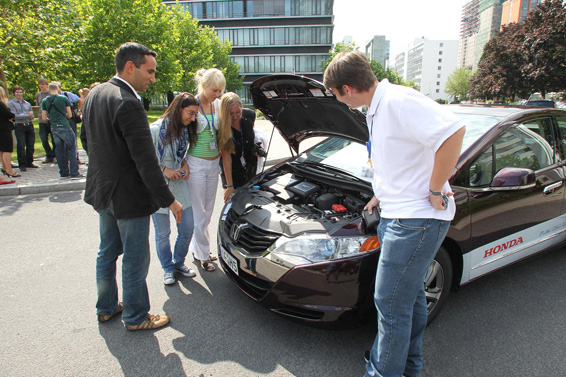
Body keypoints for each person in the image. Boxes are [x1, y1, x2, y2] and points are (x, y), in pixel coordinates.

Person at [323, 50, 465, 377]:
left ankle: (381, 371)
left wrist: (434, 187)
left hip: (415, 221)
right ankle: (409, 368)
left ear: (347, 88)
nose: (336, 98)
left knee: (389, 305)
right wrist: (379, 195)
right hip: (395, 214)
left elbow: (454, 133)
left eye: (334, 93)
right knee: (410, 300)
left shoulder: (399, 101)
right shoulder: (376, 108)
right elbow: (399, 159)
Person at [81, 42, 182, 331]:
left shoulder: (95, 94)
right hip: (128, 198)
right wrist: (169, 200)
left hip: (104, 191)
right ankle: (136, 316)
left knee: (107, 251)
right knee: (135, 258)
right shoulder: (128, 101)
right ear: (130, 67)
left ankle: (107, 307)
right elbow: (146, 161)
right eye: (149, 71)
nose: (153, 78)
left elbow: (86, 142)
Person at [149, 93, 199, 285]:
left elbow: (180, 155)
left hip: (180, 185)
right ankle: (167, 268)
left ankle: (178, 263)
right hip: (158, 188)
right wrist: (164, 170)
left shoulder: (184, 131)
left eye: (195, 115)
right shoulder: (155, 129)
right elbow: (145, 160)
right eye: (190, 113)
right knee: (162, 234)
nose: (192, 118)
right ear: (179, 109)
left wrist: (184, 165)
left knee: (187, 228)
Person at [186, 68, 225, 272]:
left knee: (208, 210)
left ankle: (198, 247)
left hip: (213, 164)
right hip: (196, 163)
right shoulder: (191, 104)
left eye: (219, 91)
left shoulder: (218, 104)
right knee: (198, 212)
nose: (217, 94)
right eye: (214, 90)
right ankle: (202, 254)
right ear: (203, 85)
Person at [218, 92, 258, 202]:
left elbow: (250, 137)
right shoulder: (222, 127)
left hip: (250, 170)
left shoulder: (249, 116)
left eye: (238, 112)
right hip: (232, 173)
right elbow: (226, 158)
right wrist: (230, 186)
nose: (235, 116)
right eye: (231, 113)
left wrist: (255, 150)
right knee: (234, 207)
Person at [41, 82, 81, 179]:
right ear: (58, 89)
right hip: (64, 125)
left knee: (59, 150)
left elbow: (44, 118)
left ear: (49, 90)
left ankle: (63, 173)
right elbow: (70, 115)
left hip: (54, 127)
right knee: (72, 149)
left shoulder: (45, 101)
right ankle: (74, 172)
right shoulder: (63, 98)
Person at [8, 86, 36, 172]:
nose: (19, 94)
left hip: (29, 125)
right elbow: (14, 116)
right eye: (17, 92)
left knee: (30, 144)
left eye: (20, 92)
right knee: (21, 145)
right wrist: (27, 115)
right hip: (19, 126)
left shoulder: (27, 104)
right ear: (14, 93)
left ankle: (29, 162)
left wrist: (30, 116)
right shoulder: (11, 103)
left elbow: (32, 115)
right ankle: (22, 164)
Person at [35, 78, 55, 164]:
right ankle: (48, 154)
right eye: (40, 84)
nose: (42, 86)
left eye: (43, 84)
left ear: (47, 85)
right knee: (43, 138)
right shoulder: (38, 95)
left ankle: (54, 155)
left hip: (51, 119)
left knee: (54, 138)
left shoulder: (50, 94)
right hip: (41, 120)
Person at [0, 86, 17, 184]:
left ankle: (4, 167)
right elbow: (9, 115)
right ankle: (9, 170)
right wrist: (11, 117)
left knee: (2, 150)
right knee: (7, 150)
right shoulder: (1, 104)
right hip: (4, 129)